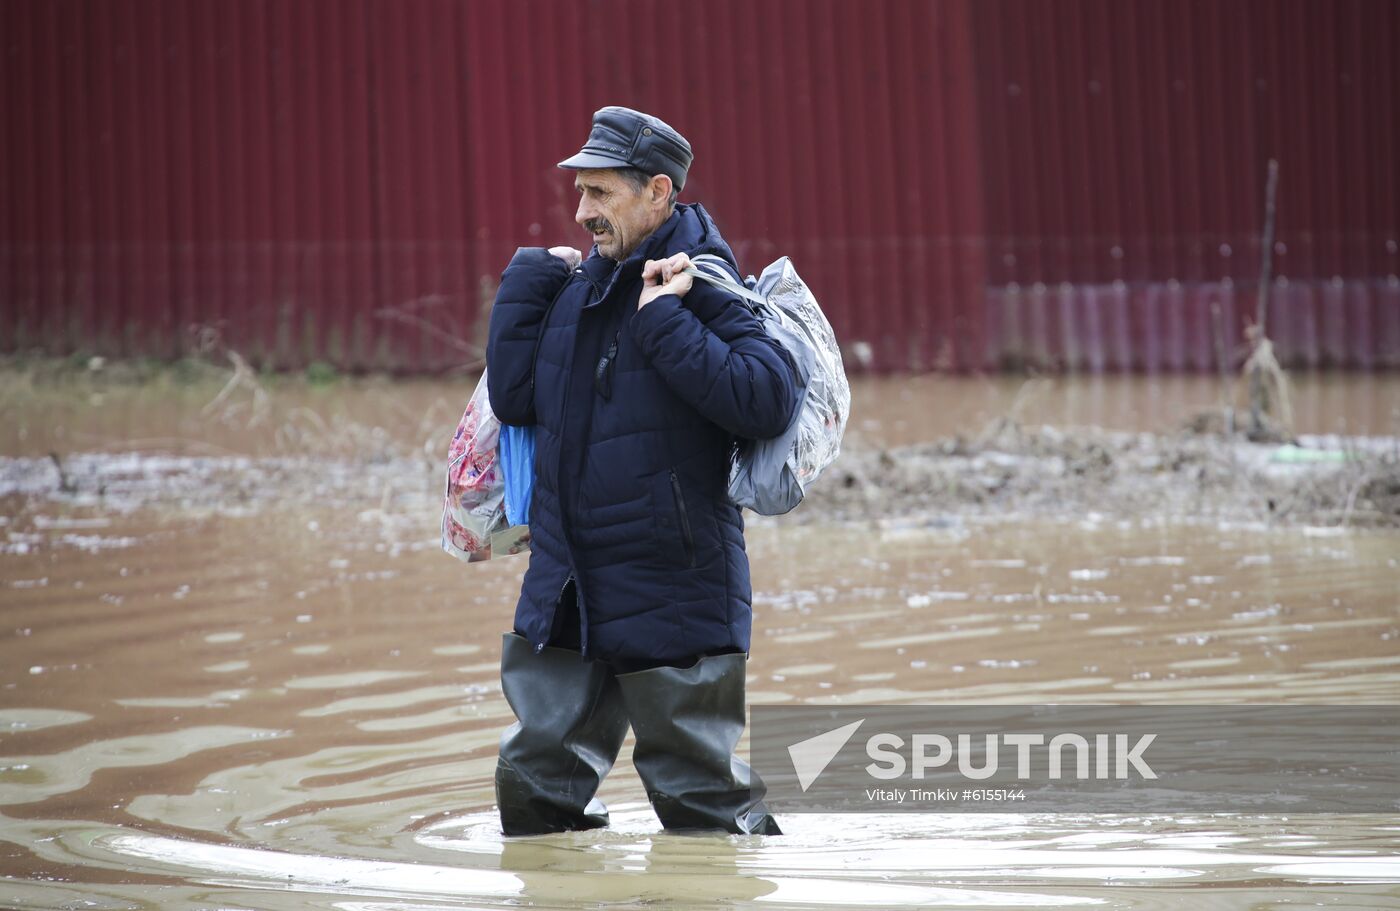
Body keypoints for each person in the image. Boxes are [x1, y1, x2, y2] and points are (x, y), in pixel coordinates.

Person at [485, 106, 797, 836]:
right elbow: (519, 398)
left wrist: (665, 321)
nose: (581, 210)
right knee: (531, 797)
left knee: (704, 811)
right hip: (568, 586)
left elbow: (767, 399)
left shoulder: (707, 283)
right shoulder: (580, 285)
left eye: (600, 193)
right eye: (581, 191)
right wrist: (528, 284)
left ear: (658, 192)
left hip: (673, 586)